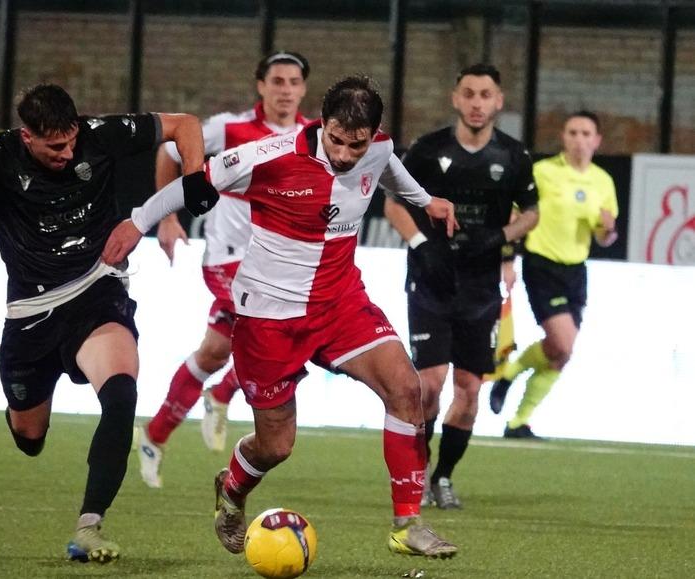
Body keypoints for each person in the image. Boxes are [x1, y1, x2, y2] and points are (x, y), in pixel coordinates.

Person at [104, 76, 460, 559]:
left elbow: (388, 166)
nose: (345, 153)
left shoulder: (375, 147)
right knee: (275, 447)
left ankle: (407, 524)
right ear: (322, 122)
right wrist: (139, 221)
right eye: (336, 139)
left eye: (356, 144)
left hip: (340, 304)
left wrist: (426, 201)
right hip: (269, 318)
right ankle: (231, 491)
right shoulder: (265, 156)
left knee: (407, 389)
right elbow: (194, 185)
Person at [0, 83, 211, 563]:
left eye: (70, 141)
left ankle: (90, 525)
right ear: (27, 137)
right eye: (54, 146)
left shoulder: (98, 135)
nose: (66, 152)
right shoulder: (0, 155)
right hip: (29, 316)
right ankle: (22, 419)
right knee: (30, 439)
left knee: (122, 395)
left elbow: (184, 125)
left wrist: (195, 178)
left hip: (96, 293)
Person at [136, 51, 311, 489]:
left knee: (215, 351)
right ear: (261, 86)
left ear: (303, 89)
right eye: (277, 81)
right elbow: (170, 149)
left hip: (282, 266)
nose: (285, 89)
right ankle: (224, 393)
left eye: (293, 82)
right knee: (292, 334)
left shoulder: (314, 135)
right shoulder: (229, 129)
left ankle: (156, 434)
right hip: (228, 259)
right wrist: (168, 217)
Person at [383, 63, 539, 509]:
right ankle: (417, 475)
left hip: (480, 288)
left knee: (468, 390)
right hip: (431, 281)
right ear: (455, 98)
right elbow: (393, 203)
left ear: (498, 102)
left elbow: (531, 212)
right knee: (428, 386)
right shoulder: (428, 150)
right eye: (468, 93)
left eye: (485, 95)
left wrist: (501, 237)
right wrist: (421, 245)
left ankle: (443, 477)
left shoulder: (513, 156)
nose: (476, 103)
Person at [489, 110, 618, 438]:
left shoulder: (603, 182)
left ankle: (519, 421)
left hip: (576, 269)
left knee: (561, 354)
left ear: (597, 140)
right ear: (563, 137)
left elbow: (605, 236)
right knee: (562, 342)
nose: (579, 139)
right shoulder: (543, 172)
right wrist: (507, 260)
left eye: (586, 133)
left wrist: (609, 228)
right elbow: (516, 215)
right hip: (542, 264)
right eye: (573, 132)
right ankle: (512, 371)